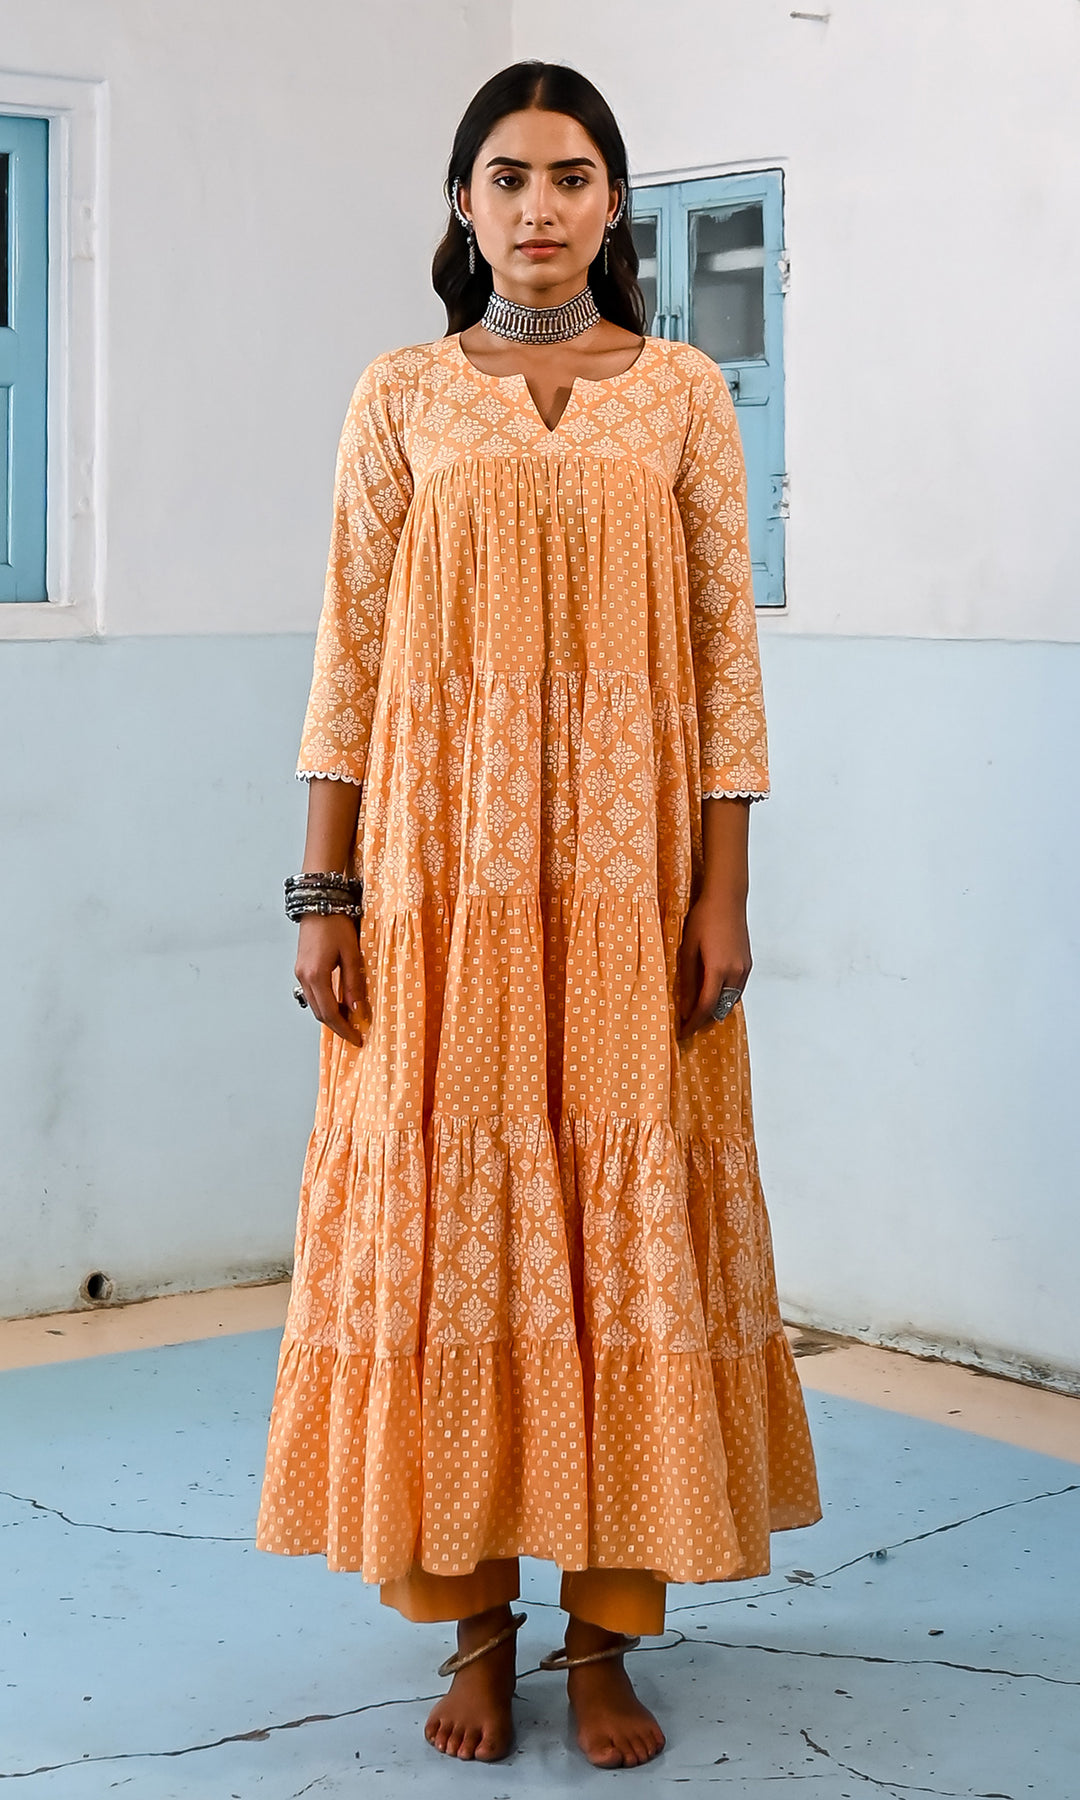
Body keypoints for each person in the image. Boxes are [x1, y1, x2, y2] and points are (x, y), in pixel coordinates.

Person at [256, 59, 821, 1772]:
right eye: (508, 176)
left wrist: (724, 889)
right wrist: (325, 892)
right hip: (442, 886)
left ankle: (608, 1636)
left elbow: (725, 653)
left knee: (619, 1230)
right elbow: (349, 652)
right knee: (460, 1228)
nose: (540, 205)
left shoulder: (684, 396)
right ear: (463, 203)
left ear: (613, 202)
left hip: (633, 887)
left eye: (571, 176)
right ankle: (479, 1629)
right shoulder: (402, 397)